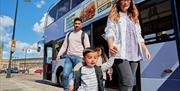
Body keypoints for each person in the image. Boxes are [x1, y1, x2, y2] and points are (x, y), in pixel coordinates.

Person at [104, 0, 151, 91]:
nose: (125, 3)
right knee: (128, 81)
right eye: (123, 0)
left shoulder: (134, 17)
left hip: (135, 54)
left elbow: (139, 35)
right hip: (120, 53)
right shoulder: (114, 15)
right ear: (118, 2)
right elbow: (109, 32)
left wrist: (145, 49)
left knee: (128, 82)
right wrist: (110, 46)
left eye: (127, 0)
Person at [56, 17, 90, 91]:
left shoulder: (84, 35)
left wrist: (86, 58)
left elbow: (87, 48)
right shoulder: (69, 34)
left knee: (77, 76)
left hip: (80, 58)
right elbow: (64, 46)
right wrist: (59, 54)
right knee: (65, 75)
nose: (77, 25)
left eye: (78, 24)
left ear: (81, 25)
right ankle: (66, 89)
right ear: (73, 25)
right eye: (75, 23)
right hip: (69, 57)